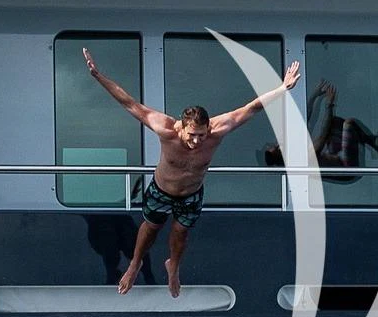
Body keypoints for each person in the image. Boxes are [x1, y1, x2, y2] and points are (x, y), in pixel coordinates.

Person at [82, 46, 302, 295]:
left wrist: (283, 89)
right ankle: (135, 264)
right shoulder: (166, 129)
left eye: (201, 135)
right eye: (192, 135)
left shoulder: (217, 130)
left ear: (208, 128)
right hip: (161, 190)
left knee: (181, 231)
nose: (197, 141)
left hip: (191, 194)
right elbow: (129, 103)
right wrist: (98, 77)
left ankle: (173, 265)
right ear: (181, 128)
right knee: (150, 227)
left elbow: (251, 108)